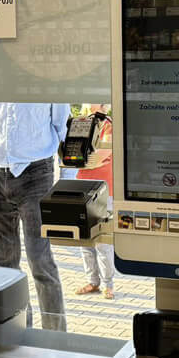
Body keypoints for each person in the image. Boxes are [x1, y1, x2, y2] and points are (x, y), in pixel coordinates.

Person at [0, 102, 69, 330]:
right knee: (5, 263)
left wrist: (67, 183)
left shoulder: (47, 84)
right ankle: (20, 333)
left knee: (40, 260)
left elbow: (64, 129)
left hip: (36, 173)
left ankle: (55, 336)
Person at [74, 104, 115, 299]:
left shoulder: (108, 125)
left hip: (103, 189)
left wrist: (79, 157)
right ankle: (92, 282)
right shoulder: (81, 124)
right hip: (82, 186)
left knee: (102, 241)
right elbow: (70, 151)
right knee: (84, 239)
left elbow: (101, 155)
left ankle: (108, 285)